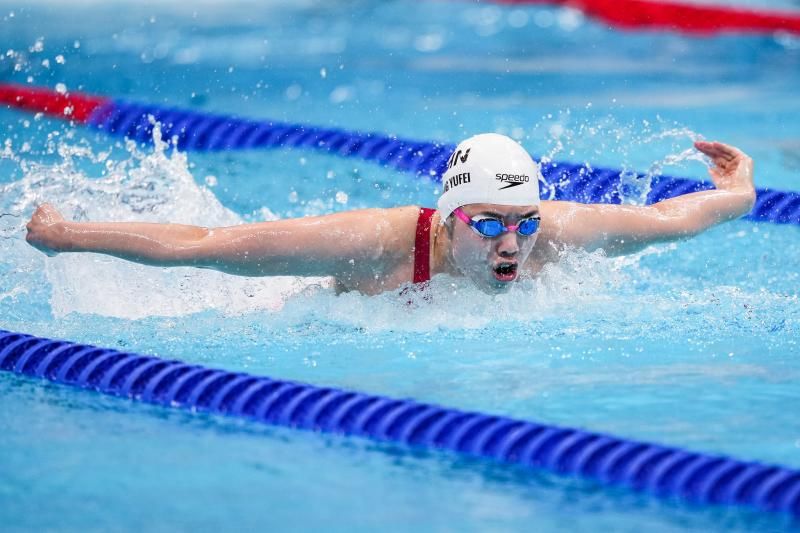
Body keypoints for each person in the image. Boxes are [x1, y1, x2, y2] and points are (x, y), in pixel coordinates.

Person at [25, 133, 755, 296]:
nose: (514, 241)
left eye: (523, 221)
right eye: (492, 223)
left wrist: (740, 191)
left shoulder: (552, 232)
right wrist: (66, 236)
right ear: (449, 217)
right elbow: (206, 244)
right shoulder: (375, 242)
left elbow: (669, 221)